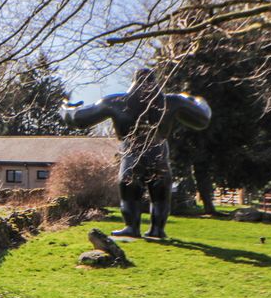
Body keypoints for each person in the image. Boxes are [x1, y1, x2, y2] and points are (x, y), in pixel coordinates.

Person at [59, 69, 211, 239]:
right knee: (160, 193)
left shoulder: (117, 102)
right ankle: (157, 229)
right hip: (158, 151)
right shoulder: (170, 102)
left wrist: (66, 108)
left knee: (129, 191)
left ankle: (132, 227)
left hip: (132, 151)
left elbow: (79, 119)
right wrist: (198, 101)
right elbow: (203, 118)